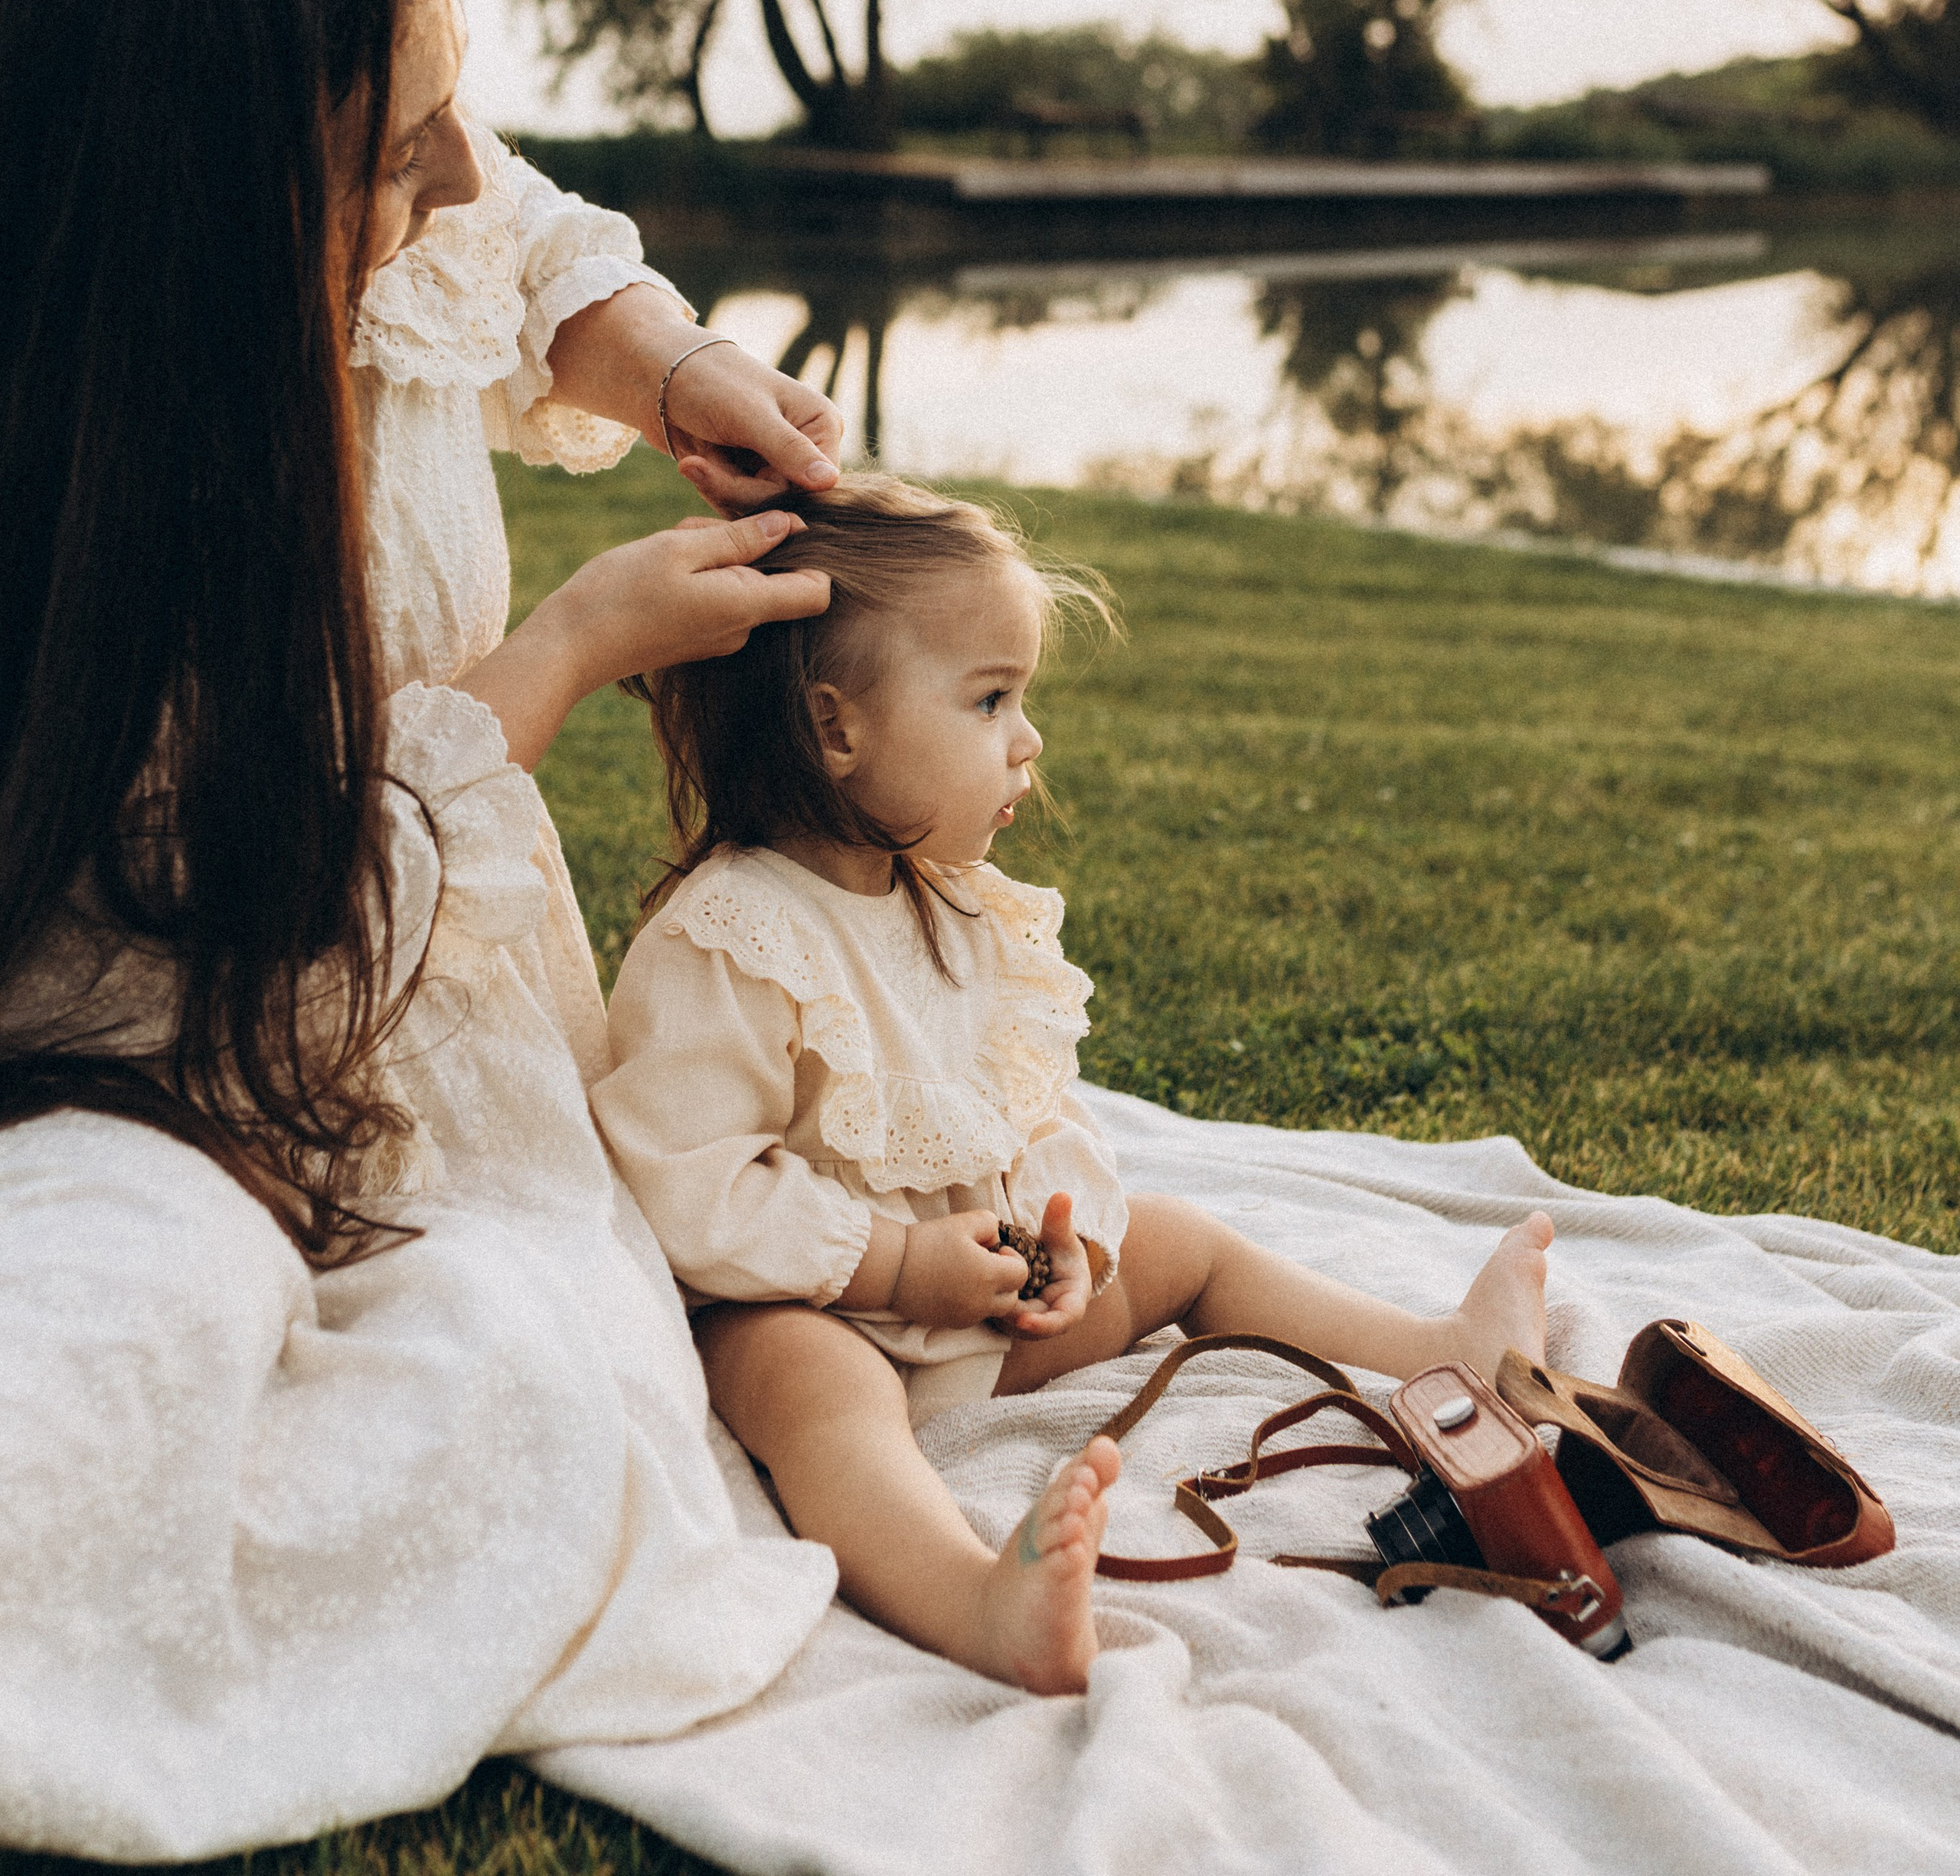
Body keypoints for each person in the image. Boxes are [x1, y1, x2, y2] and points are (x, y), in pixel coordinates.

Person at [0, 0, 844, 1860]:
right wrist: (555, 660)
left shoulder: (387, 229)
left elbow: (537, 235)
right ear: (210, 178)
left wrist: (675, 364)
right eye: (399, 142)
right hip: (146, 1051)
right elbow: (173, 935)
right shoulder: (88, 451)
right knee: (129, 1330)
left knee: (527, 1384)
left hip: (429, 1040)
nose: (458, 178)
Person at [593, 474, 1558, 1698]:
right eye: (991, 697)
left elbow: (1029, 1105)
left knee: (1178, 1239)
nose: (1028, 738)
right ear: (837, 727)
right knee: (808, 1385)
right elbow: (687, 1182)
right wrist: (892, 1266)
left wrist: (1067, 1243)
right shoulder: (735, 934)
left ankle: (1435, 1349)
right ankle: (967, 1597)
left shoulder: (957, 907)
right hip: (825, 1316)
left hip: (987, 1331)